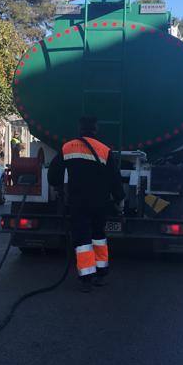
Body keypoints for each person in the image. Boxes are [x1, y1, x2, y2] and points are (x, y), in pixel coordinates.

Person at [48, 115, 125, 292]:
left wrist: (58, 186)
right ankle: (101, 273)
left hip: (78, 202)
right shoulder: (104, 150)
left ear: (80, 129)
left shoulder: (68, 147)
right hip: (100, 203)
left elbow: (53, 173)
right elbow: (115, 179)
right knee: (99, 236)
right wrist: (119, 198)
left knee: (82, 240)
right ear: (96, 129)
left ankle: (86, 279)